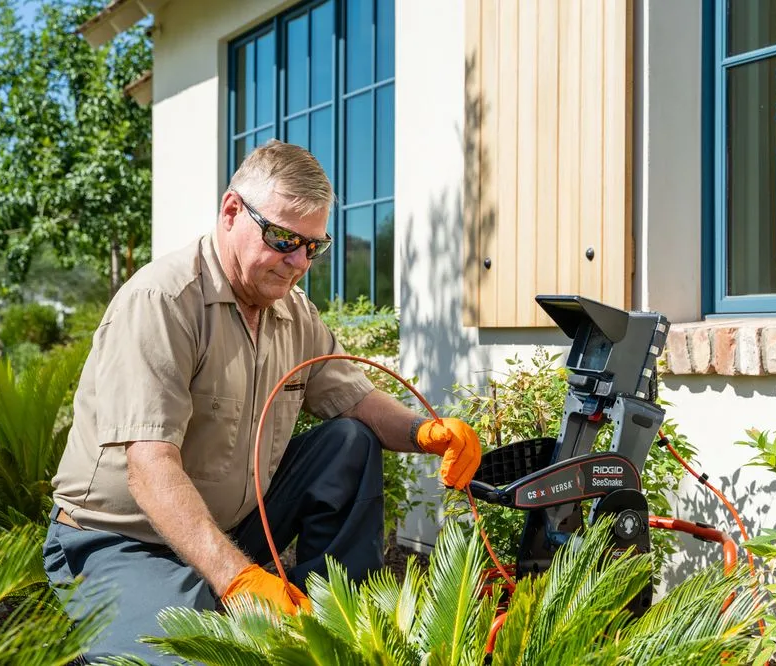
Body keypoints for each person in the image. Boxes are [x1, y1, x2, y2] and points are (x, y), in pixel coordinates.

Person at [43, 140, 482, 664]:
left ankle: (330, 623)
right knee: (199, 654)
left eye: (312, 247)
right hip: (119, 539)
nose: (298, 262)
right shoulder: (163, 301)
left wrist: (424, 434)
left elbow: (355, 399)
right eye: (282, 238)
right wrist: (238, 578)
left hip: (231, 523)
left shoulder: (292, 313)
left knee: (349, 441)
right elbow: (148, 468)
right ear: (231, 212)